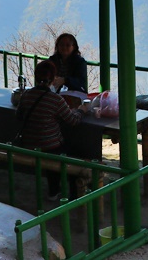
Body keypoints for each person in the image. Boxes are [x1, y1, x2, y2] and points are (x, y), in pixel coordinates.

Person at [17, 59, 90, 199]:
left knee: (53, 149)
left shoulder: (26, 95)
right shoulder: (55, 99)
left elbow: (19, 116)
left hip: (28, 143)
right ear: (53, 79)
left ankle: (54, 191)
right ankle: (75, 195)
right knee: (75, 154)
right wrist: (81, 110)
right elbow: (73, 120)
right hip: (49, 146)